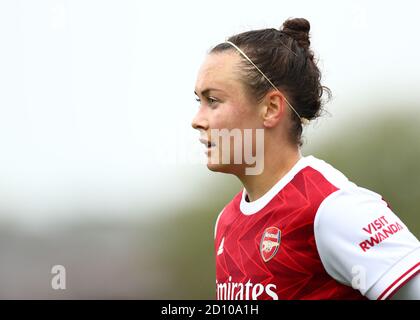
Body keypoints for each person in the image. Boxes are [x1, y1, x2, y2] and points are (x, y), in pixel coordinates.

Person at [191, 17, 420, 300]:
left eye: (213, 100)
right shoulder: (227, 221)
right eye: (198, 101)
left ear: (271, 108)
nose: (197, 121)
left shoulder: (332, 207)